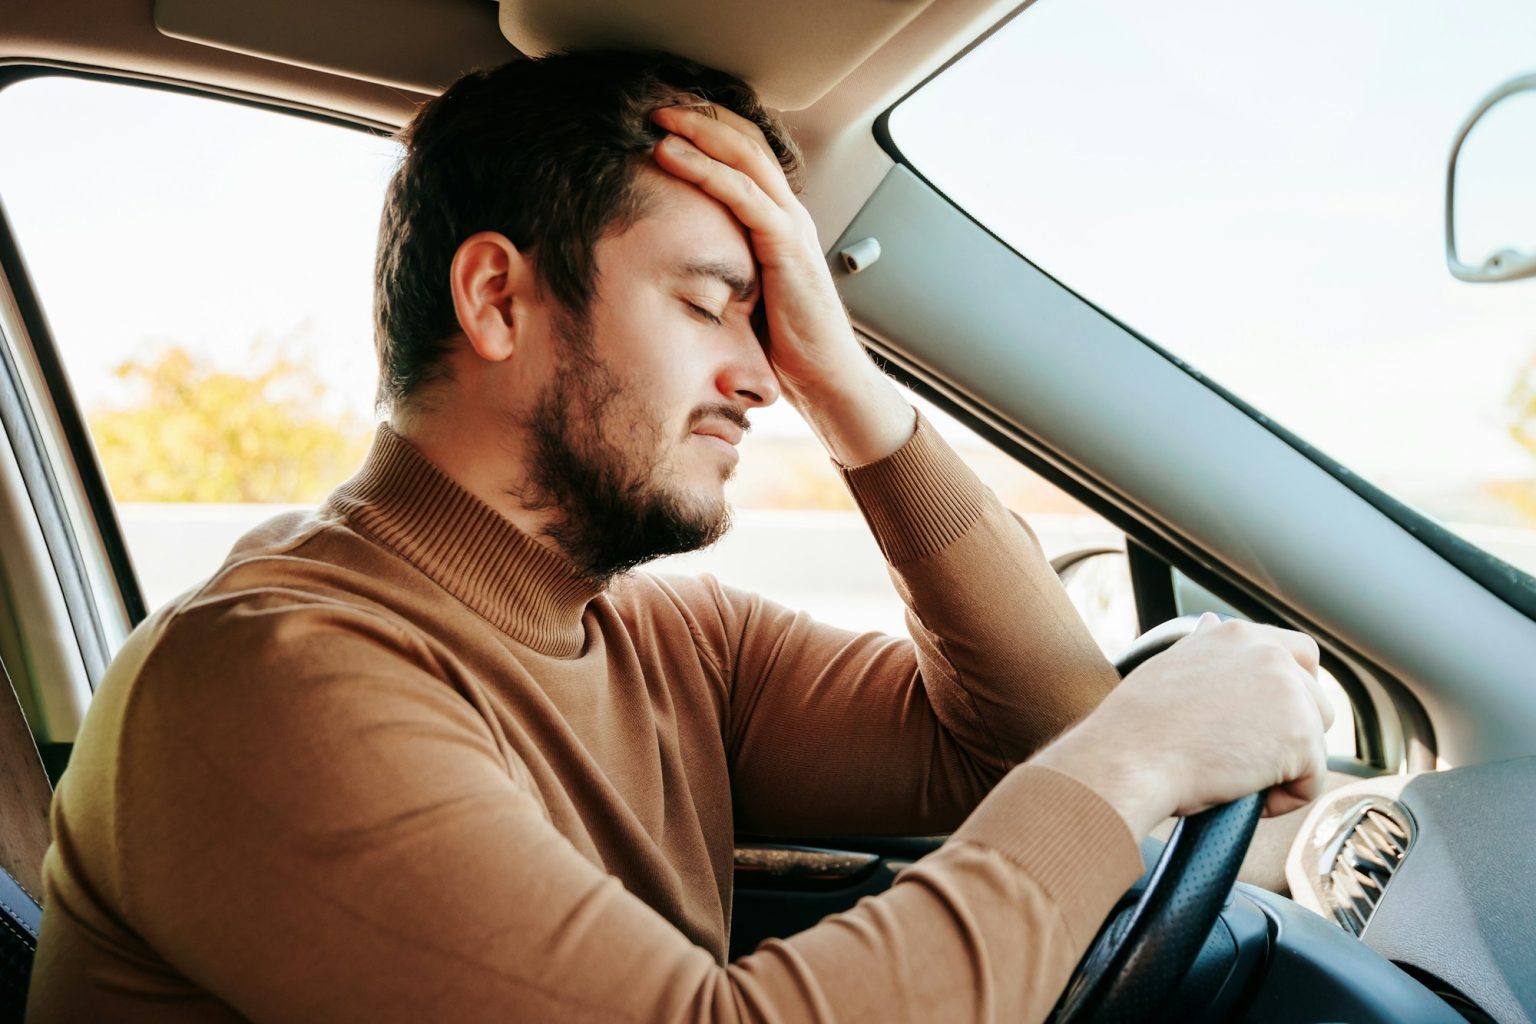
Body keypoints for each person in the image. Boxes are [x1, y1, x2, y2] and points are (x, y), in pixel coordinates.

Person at [26, 51, 1331, 1022]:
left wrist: (857, 401)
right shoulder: (271, 679)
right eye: (716, 304)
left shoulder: (657, 632)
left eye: (780, 322)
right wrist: (1141, 751)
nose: (764, 375)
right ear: (495, 297)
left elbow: (1031, 729)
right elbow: (1089, 764)